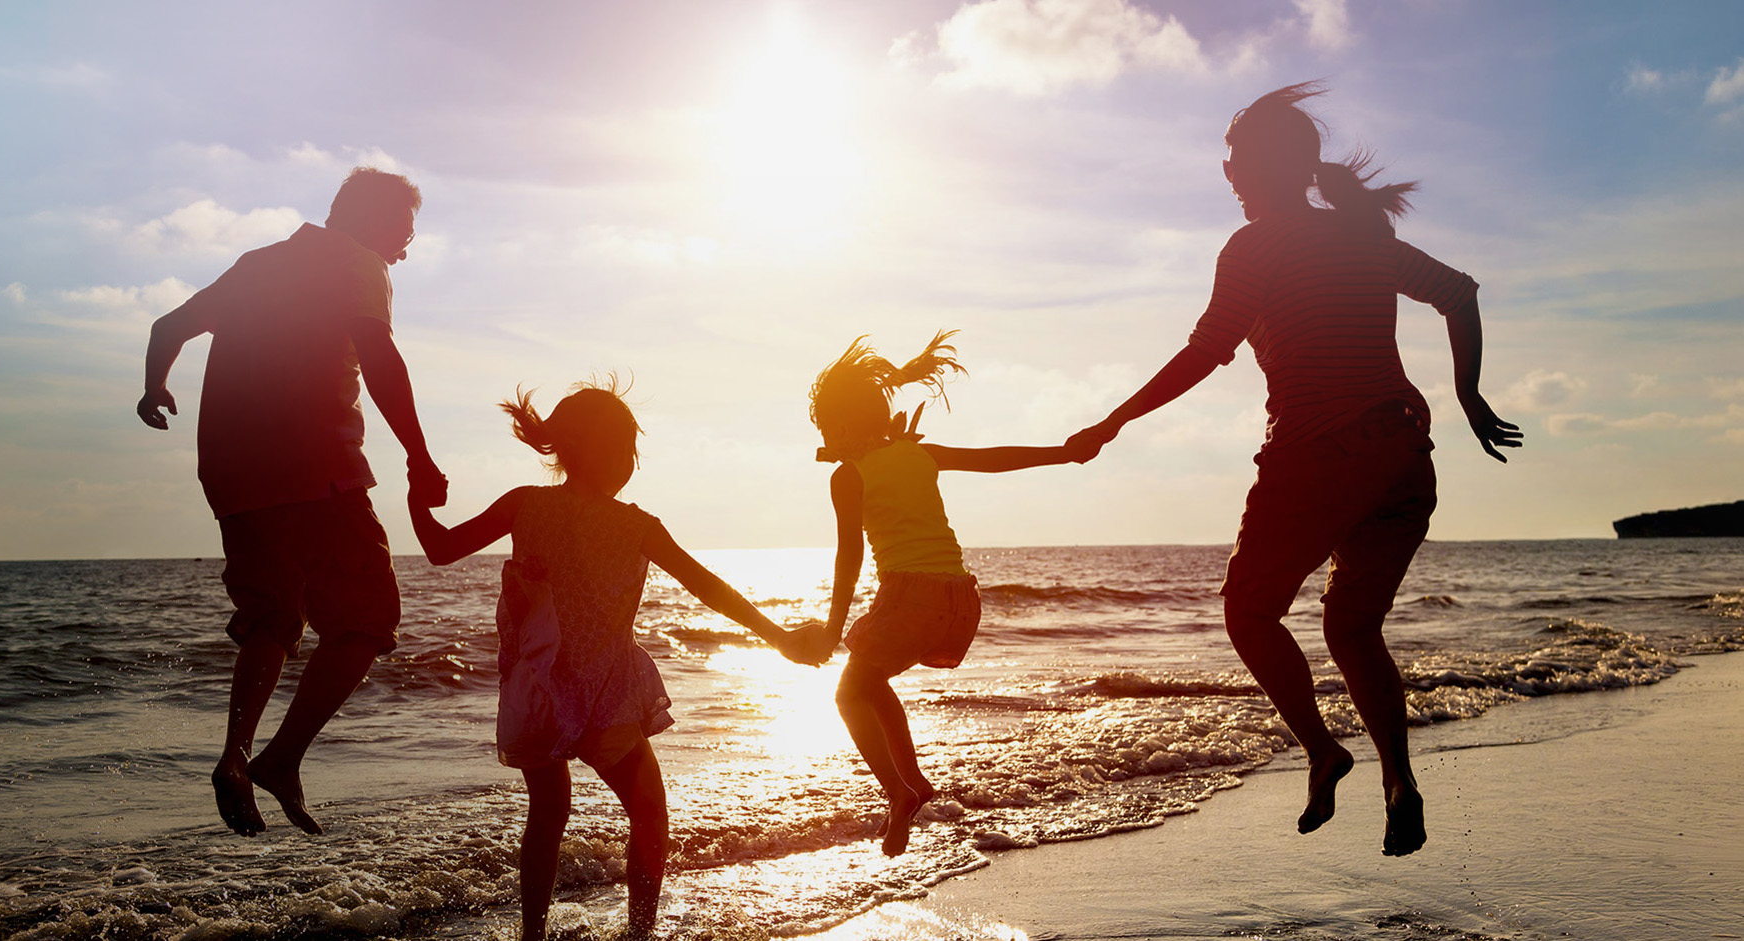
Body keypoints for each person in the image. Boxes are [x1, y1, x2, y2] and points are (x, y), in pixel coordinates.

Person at [1067, 83, 1522, 857]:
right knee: (1352, 627)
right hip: (1403, 459)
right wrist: (1468, 396)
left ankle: (1321, 750)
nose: (1228, 173)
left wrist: (1113, 420)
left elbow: (1206, 349)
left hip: (1319, 455)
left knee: (1248, 612)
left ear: (1275, 167)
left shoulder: (1256, 245)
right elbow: (1459, 294)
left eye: (1237, 160)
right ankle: (1397, 781)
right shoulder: (1361, 236)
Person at [407, 379, 827, 941]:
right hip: (604, 696)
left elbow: (438, 549)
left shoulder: (524, 503)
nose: (632, 461)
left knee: (548, 815)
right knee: (649, 810)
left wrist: (415, 495)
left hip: (538, 695)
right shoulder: (635, 525)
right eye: (627, 448)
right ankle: (639, 934)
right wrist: (778, 637)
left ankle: (533, 936)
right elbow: (708, 588)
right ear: (602, 451)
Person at [135, 167, 448, 837]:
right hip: (316, 463)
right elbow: (379, 355)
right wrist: (419, 456)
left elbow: (169, 326)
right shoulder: (357, 262)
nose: (405, 247)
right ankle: (281, 758)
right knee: (368, 618)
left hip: (233, 475)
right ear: (369, 219)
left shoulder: (258, 264)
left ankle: (235, 753)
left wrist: (153, 387)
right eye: (403, 231)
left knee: (273, 615)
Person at [808, 331, 1079, 856]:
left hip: (910, 597)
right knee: (870, 681)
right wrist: (1063, 453)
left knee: (848, 694)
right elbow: (994, 459)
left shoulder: (848, 477)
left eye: (824, 427)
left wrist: (832, 628)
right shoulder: (920, 453)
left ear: (840, 426)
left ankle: (899, 791)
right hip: (960, 600)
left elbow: (849, 558)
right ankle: (912, 784)